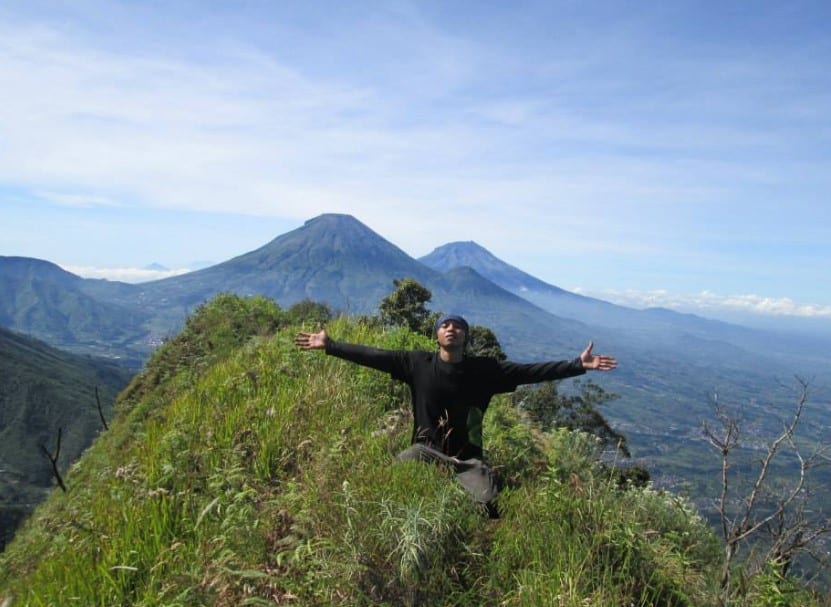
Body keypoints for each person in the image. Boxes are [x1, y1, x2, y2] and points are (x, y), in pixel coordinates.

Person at [294, 314, 617, 517]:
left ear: (466, 337)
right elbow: (375, 356)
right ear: (436, 335)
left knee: (491, 506)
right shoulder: (417, 364)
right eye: (445, 325)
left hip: (468, 460)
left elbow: (531, 372)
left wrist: (578, 365)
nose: (452, 329)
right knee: (395, 479)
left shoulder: (486, 370)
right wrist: (331, 345)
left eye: (459, 326)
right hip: (425, 451)